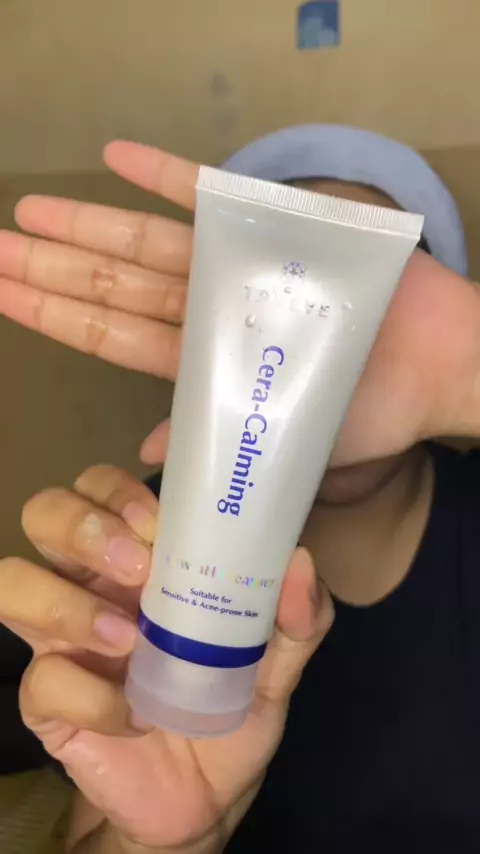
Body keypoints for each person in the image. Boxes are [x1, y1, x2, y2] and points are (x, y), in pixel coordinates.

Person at [0, 125, 480, 853]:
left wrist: (470, 372)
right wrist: (159, 844)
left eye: (369, 310)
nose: (331, 358)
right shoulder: (140, 553)